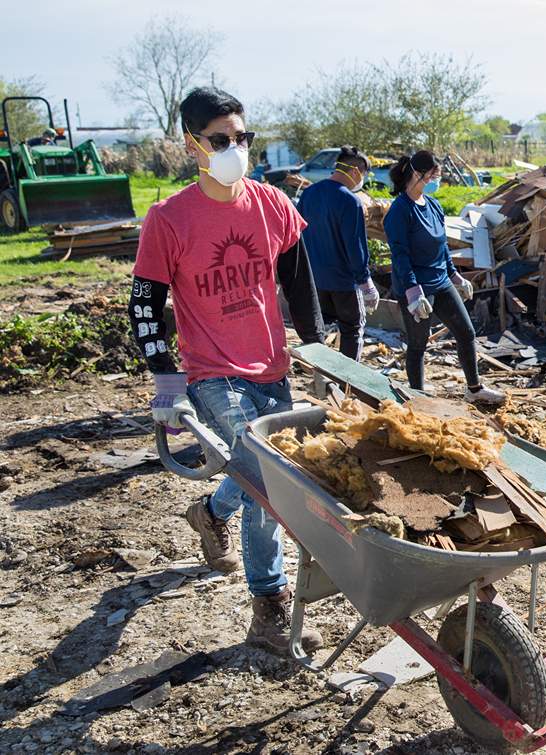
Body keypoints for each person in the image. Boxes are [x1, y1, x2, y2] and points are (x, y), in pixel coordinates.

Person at [127, 86, 326, 655]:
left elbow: (298, 282)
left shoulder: (272, 205)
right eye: (221, 140)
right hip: (213, 371)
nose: (235, 148)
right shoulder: (169, 220)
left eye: (243, 138)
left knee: (265, 471)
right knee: (270, 478)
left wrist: (317, 347)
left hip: (272, 367)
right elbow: (144, 303)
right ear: (193, 145)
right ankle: (269, 609)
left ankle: (210, 511)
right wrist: (164, 377)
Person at [383, 150, 504, 404]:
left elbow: (442, 246)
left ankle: (473, 389)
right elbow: (400, 255)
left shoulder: (433, 206)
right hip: (416, 287)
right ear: (417, 174)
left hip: (441, 280)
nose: (435, 181)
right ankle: (417, 398)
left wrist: (455, 276)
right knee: (418, 344)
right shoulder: (399, 211)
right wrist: (413, 292)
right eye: (432, 175)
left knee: (466, 331)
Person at [297, 145, 379, 361]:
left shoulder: (309, 194)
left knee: (320, 328)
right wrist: (366, 282)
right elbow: (355, 246)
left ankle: (320, 374)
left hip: (316, 280)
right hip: (344, 283)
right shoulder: (350, 201)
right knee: (352, 330)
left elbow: (298, 234)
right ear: (355, 172)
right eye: (363, 175)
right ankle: (348, 384)